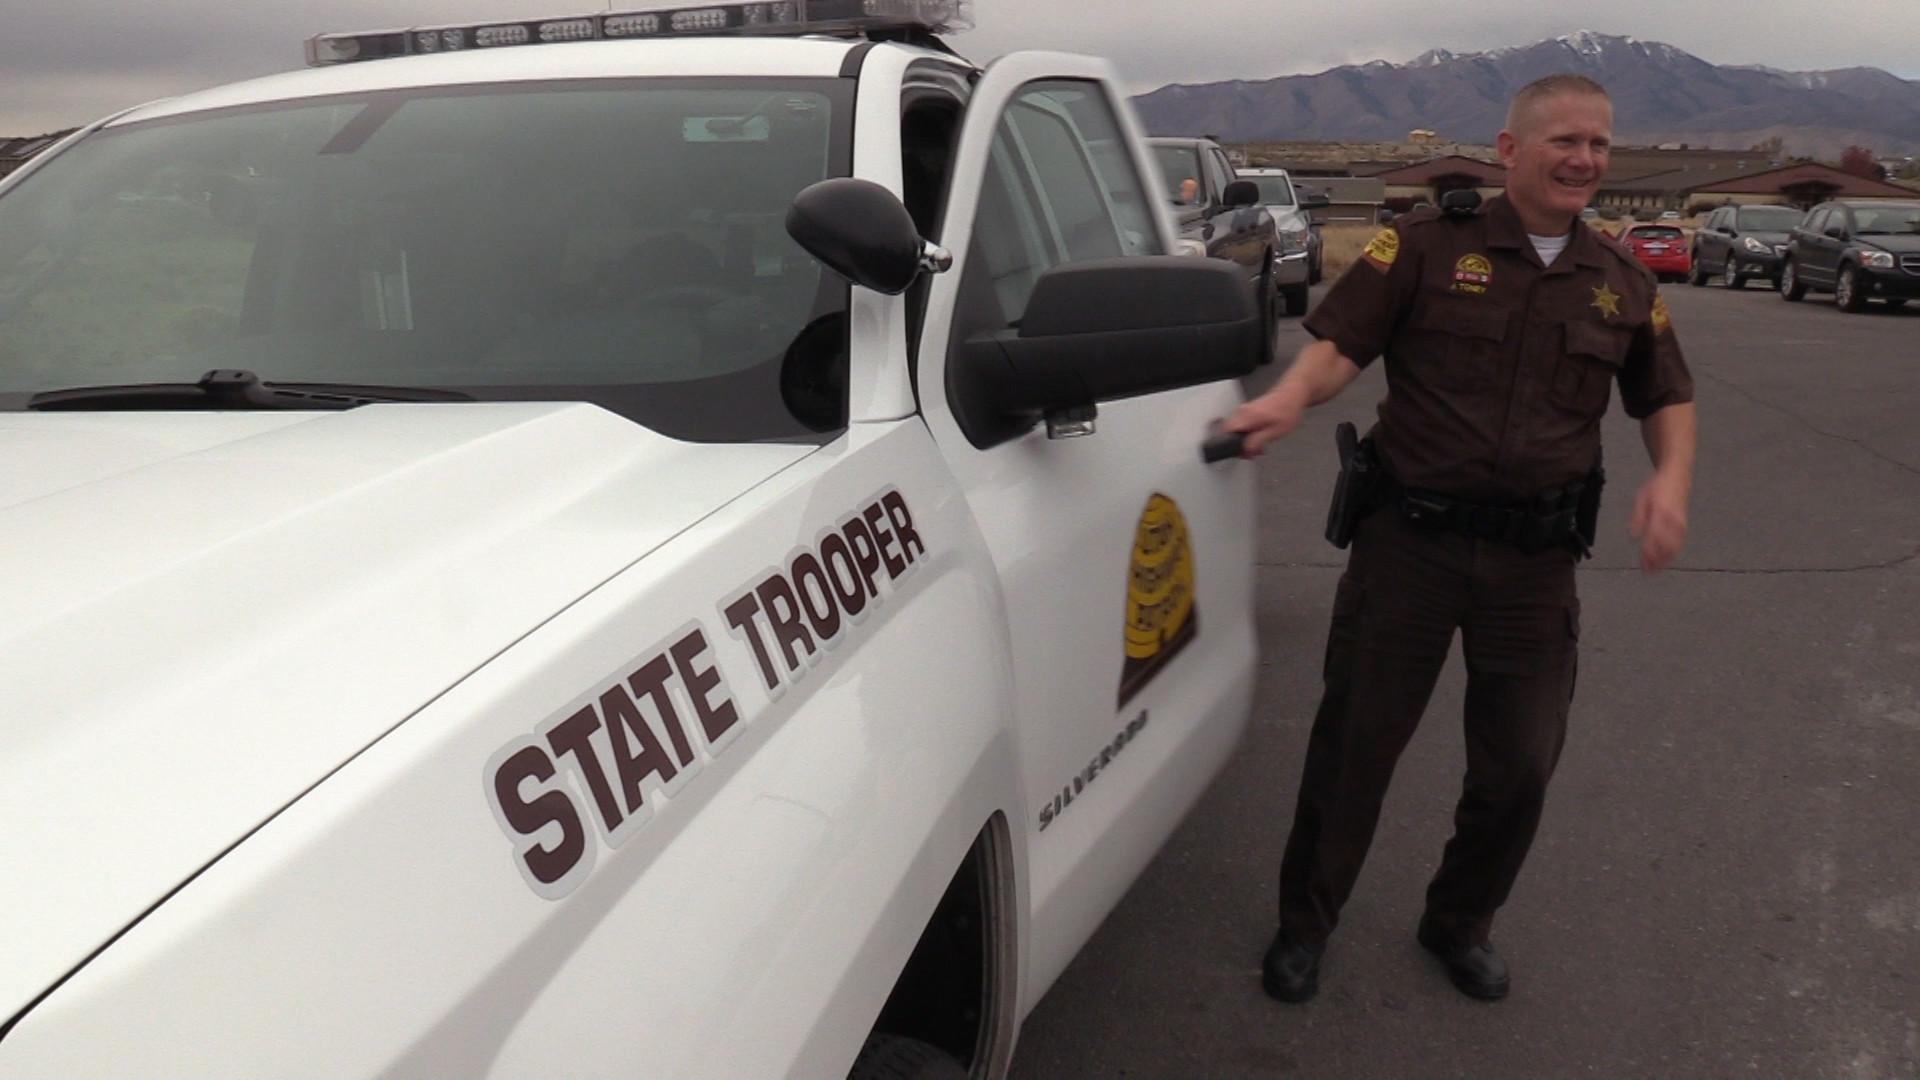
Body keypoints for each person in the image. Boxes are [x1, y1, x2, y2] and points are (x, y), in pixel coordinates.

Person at [1225, 73, 1697, 1003]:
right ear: (1510, 149)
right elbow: (1341, 345)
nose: (1585, 160)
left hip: (1534, 565)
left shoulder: (1622, 280)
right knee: (1355, 748)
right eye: (1565, 141)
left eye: (1600, 144)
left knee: (1520, 767)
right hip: (1410, 545)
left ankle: (1459, 923)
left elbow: (1666, 395)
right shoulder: (1424, 246)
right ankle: (1305, 925)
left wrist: (1672, 479)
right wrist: (1287, 397)